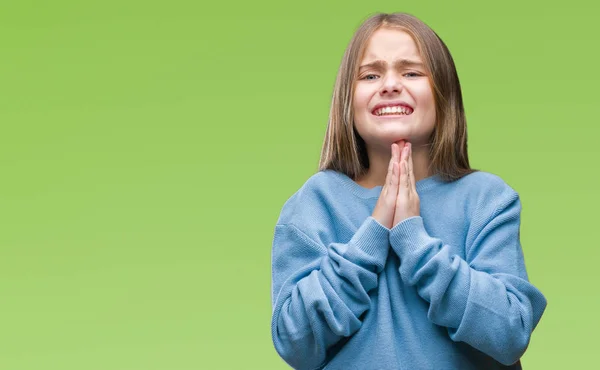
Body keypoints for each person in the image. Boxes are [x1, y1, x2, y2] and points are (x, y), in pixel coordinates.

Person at [270, 12, 547, 370]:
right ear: (347, 101)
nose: (389, 84)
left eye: (411, 72)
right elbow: (296, 344)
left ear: (442, 93)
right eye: (370, 75)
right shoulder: (313, 205)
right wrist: (373, 233)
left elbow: (510, 334)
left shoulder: (487, 199)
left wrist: (414, 242)